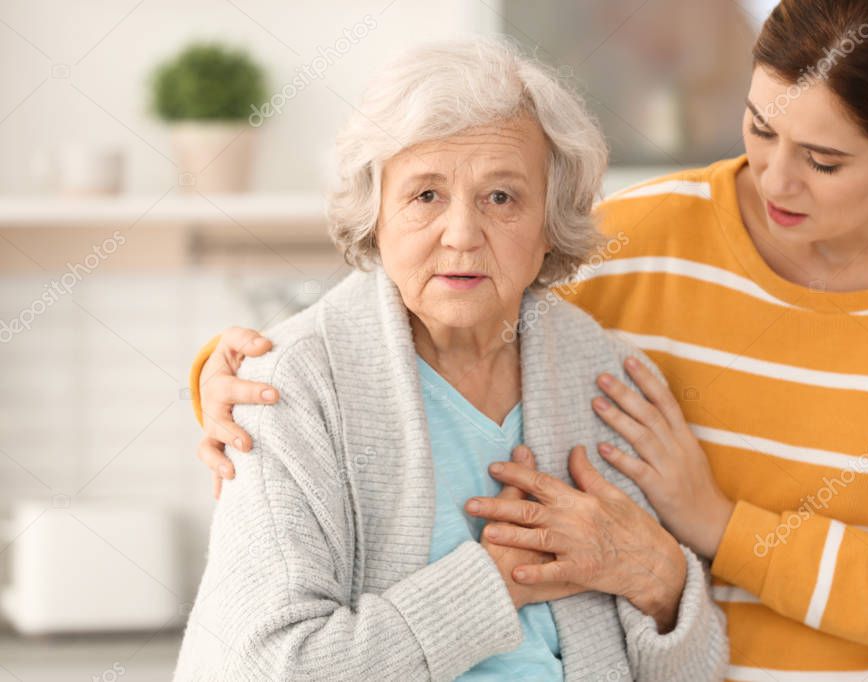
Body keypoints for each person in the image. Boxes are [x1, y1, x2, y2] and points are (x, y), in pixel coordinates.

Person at [189, 1, 868, 678]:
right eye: (760, 128)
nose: (773, 179)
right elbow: (442, 298)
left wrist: (712, 528)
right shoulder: (648, 239)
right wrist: (232, 376)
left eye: (823, 160)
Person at [173, 38, 727, 681]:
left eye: (501, 198)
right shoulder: (286, 389)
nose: (462, 235)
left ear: (549, 223)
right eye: (426, 195)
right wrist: (493, 585)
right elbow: (271, 669)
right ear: (376, 214)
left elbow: (693, 673)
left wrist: (661, 580)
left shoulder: (610, 383)